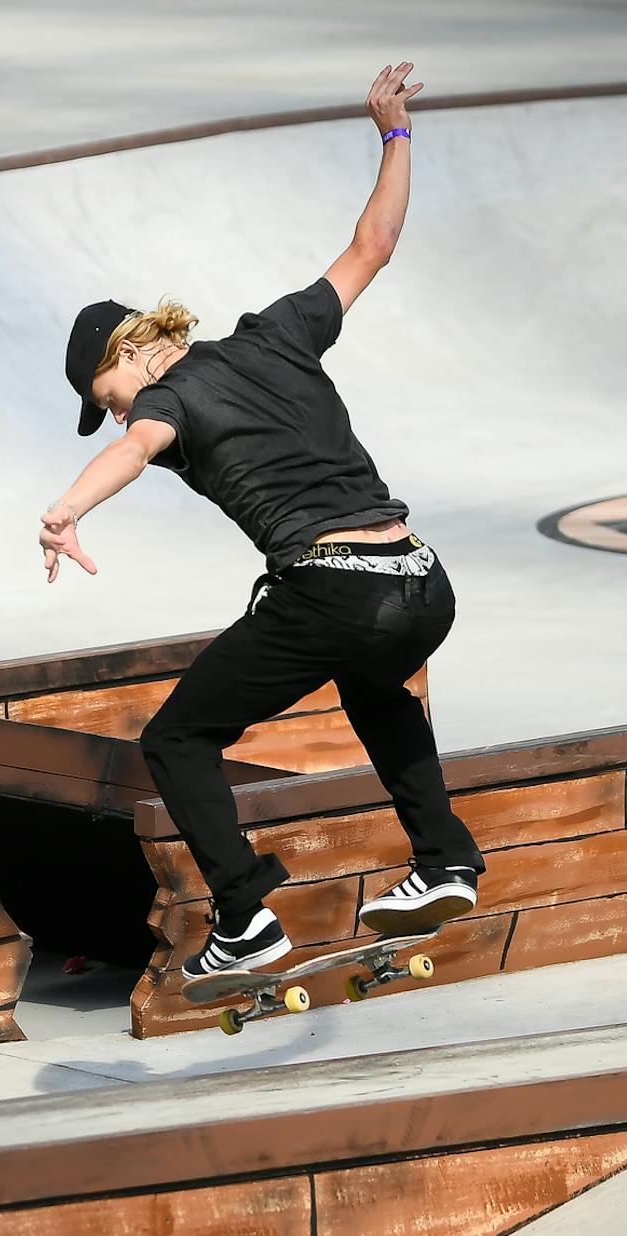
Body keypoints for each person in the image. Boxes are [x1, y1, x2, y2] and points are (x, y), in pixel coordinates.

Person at [42, 63, 483, 983]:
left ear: (128, 355)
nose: (120, 416)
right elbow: (376, 242)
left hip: (329, 589)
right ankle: (443, 860)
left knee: (175, 741)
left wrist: (66, 509)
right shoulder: (276, 331)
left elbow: (135, 447)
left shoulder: (168, 399)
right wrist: (395, 134)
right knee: (373, 689)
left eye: (107, 397)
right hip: (420, 579)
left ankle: (243, 915)